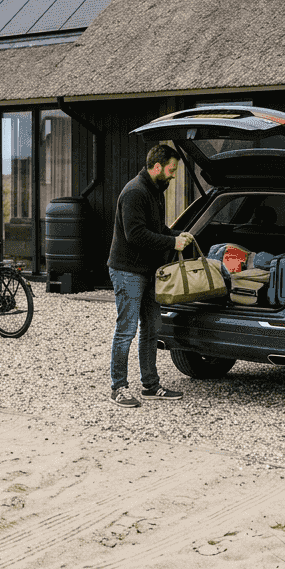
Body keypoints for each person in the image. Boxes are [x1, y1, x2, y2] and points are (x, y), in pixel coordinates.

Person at [106, 144, 193, 408]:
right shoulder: (135, 192)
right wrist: (171, 244)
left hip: (148, 271)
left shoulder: (155, 190)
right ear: (157, 167)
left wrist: (175, 235)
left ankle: (151, 386)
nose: (174, 175)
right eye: (171, 169)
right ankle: (118, 388)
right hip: (127, 271)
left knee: (151, 329)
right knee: (126, 331)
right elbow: (136, 235)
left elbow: (154, 227)